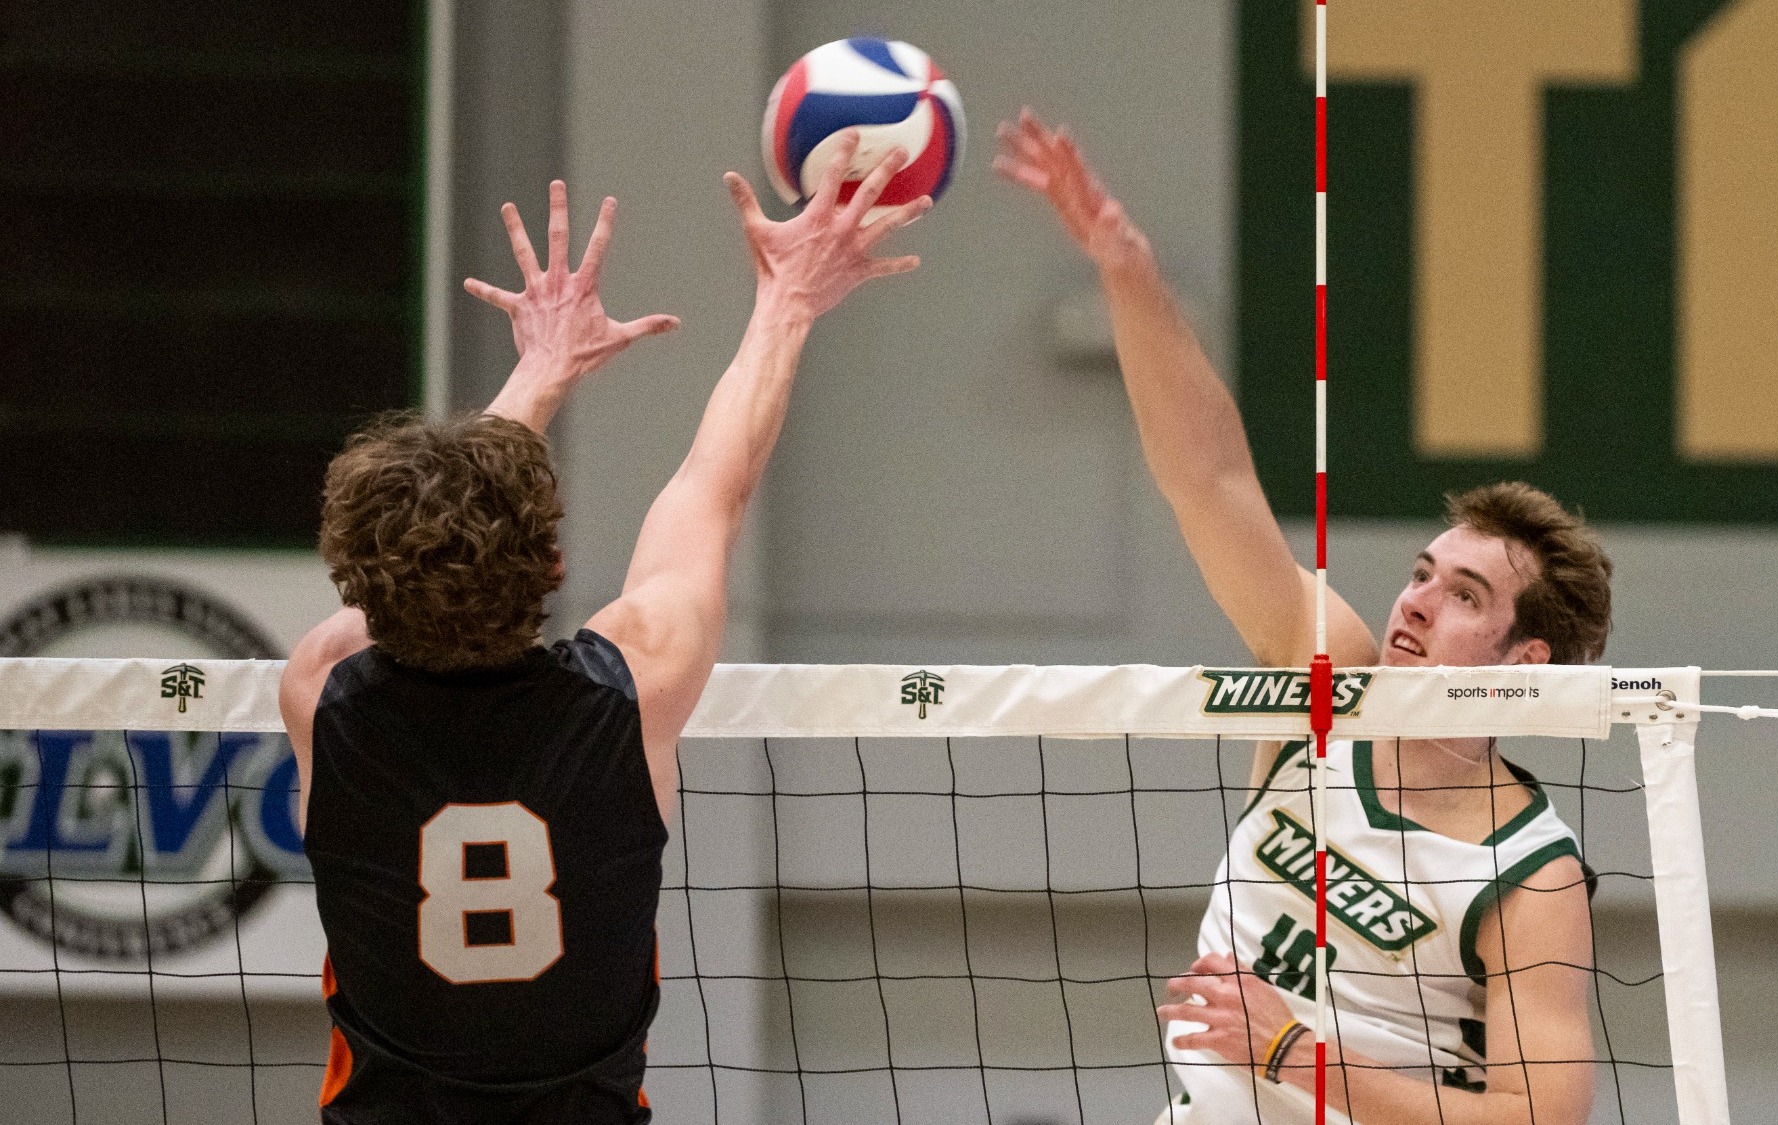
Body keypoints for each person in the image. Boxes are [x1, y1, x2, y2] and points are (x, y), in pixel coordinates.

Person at [278, 132, 929, 1124]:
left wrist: (538, 373)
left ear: (357, 583)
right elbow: (715, 483)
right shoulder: (627, 690)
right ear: (551, 566)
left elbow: (405, 558)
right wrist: (787, 300)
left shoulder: (325, 693)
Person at [996, 110, 1606, 1125]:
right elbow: (1209, 479)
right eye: (1422, 572)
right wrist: (1124, 268)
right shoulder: (1323, 675)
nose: (1414, 600)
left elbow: (1537, 1119)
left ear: (1521, 658)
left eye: (1463, 596)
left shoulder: (1528, 873)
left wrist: (1292, 1055)